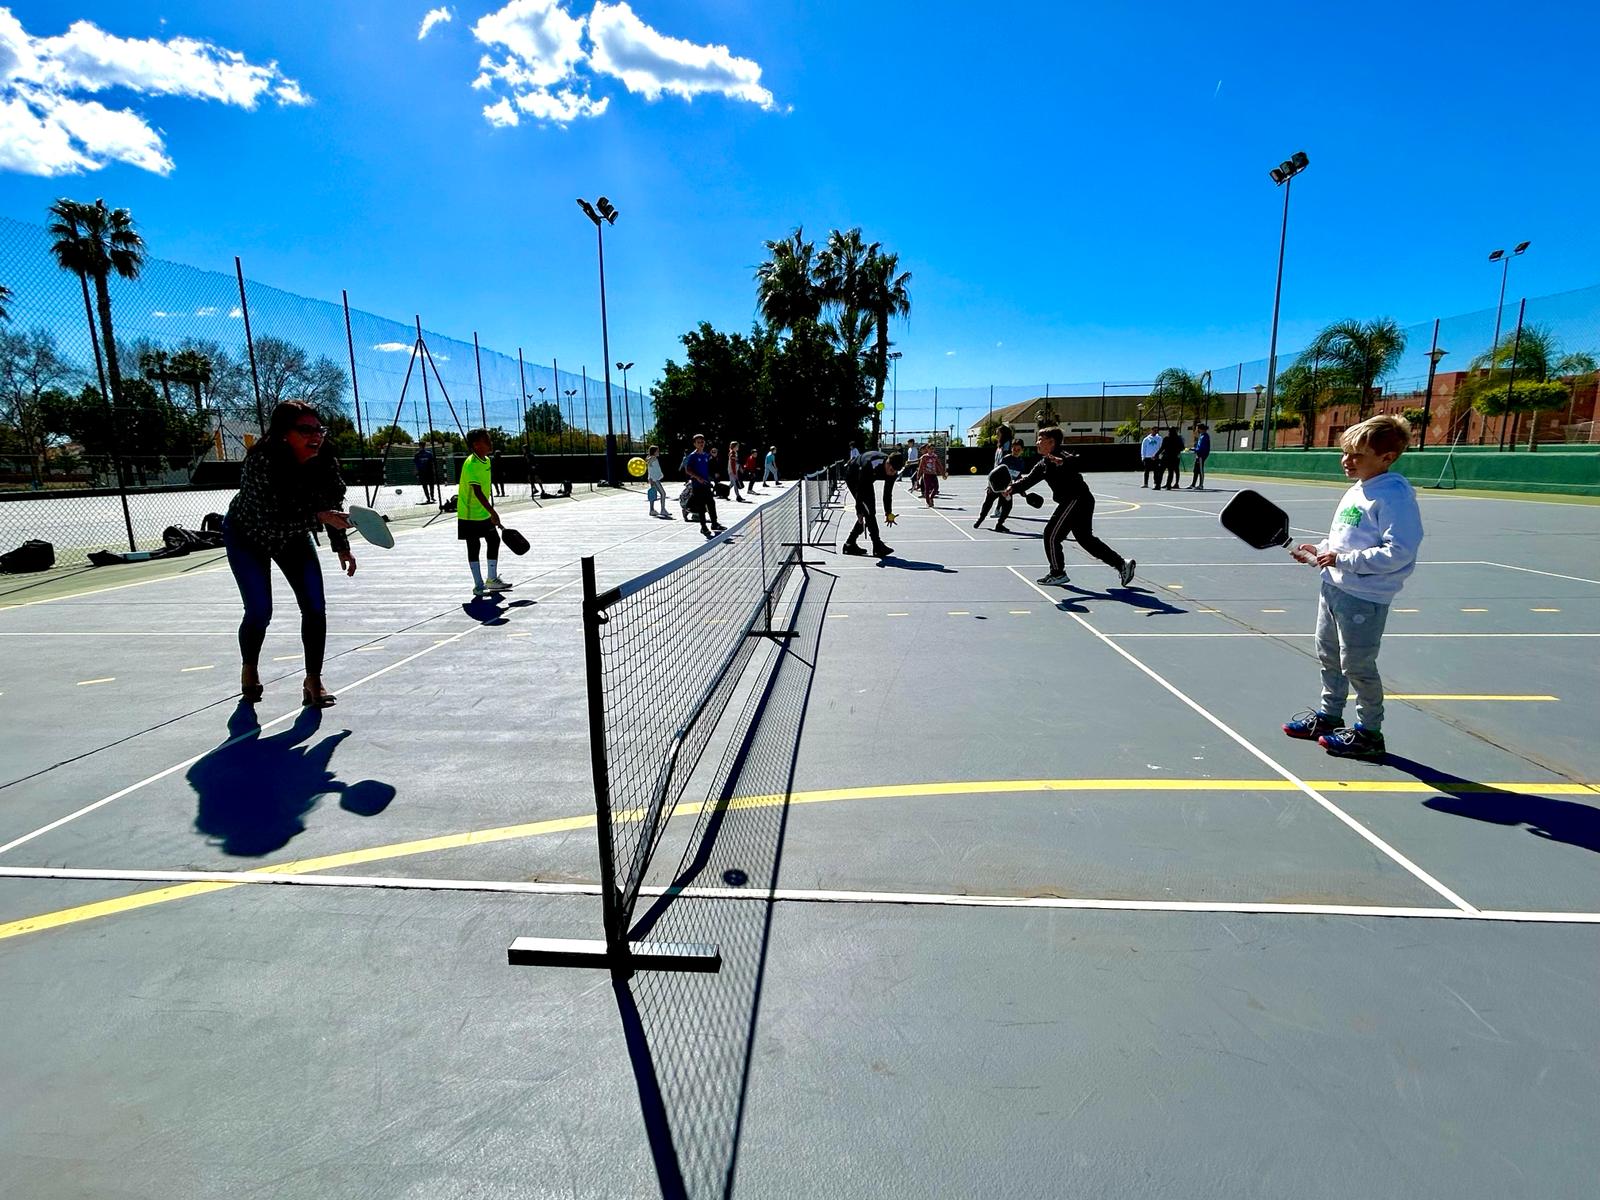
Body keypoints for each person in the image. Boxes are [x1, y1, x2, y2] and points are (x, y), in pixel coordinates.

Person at [1282, 415, 1422, 762]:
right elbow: (1345, 539)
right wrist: (1321, 550)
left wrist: (1342, 560)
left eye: (1357, 455)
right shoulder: (1358, 488)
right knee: (1328, 656)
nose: (1346, 461)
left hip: (1364, 598)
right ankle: (1330, 717)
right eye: (1344, 453)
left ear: (1387, 457)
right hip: (1333, 588)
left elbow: (1399, 552)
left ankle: (1369, 732)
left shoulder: (1394, 496)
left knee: (1357, 665)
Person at [224, 400, 356, 709]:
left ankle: (313, 680)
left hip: (293, 534)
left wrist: (342, 546)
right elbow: (270, 519)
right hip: (248, 534)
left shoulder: (325, 463)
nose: (316, 436)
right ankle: (250, 666)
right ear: (284, 434)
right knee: (259, 611)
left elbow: (330, 505)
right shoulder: (260, 462)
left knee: (315, 606)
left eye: (319, 429)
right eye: (306, 430)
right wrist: (319, 518)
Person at [1006, 425, 1136, 588]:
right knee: (1085, 540)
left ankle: (1057, 573)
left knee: (1051, 535)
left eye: (1041, 439)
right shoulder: (1044, 463)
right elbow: (1028, 480)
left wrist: (1062, 462)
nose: (1037, 442)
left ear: (1052, 442)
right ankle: (1122, 564)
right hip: (1078, 500)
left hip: (1076, 499)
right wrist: (1012, 488)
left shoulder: (1062, 455)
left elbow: (1076, 460)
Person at [459, 428, 510, 597]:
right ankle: (478, 585)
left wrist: (489, 513)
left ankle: (492, 580)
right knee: (474, 546)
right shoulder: (471, 464)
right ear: (476, 444)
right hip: (469, 514)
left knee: (494, 540)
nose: (489, 441)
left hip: (483, 512)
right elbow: (477, 492)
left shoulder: (486, 461)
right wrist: (493, 512)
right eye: (485, 439)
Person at [842, 448, 904, 557]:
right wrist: (859, 510)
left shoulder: (893, 471)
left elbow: (887, 494)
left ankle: (850, 544)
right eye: (891, 470)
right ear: (888, 463)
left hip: (868, 479)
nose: (892, 473)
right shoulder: (870, 464)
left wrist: (888, 513)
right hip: (854, 476)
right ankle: (877, 545)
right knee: (869, 511)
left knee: (868, 512)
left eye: (895, 472)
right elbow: (861, 488)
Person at [974, 442, 1025, 531]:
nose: (1016, 451)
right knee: (988, 503)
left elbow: (1018, 476)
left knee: (1008, 506)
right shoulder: (1006, 459)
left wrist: (1021, 489)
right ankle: (980, 520)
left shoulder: (1021, 462)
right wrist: (990, 486)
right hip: (997, 486)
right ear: (1011, 449)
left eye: (1018, 449)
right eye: (1014, 449)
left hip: (1007, 489)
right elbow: (995, 472)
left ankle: (999, 524)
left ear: (1022, 450)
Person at [684, 433, 726, 539]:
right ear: (694, 444)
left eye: (702, 441)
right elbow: (688, 470)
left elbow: (708, 468)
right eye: (698, 442)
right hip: (698, 485)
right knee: (701, 506)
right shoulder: (693, 456)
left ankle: (714, 523)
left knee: (711, 503)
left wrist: (712, 476)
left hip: (706, 484)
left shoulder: (706, 455)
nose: (701, 443)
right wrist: (698, 478)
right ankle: (703, 526)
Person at [645, 445, 670, 518]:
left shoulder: (653, 458)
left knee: (653, 494)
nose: (659, 452)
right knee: (663, 493)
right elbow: (648, 462)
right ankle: (662, 509)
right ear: (654, 452)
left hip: (653, 479)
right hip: (655, 480)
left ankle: (652, 510)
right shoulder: (653, 458)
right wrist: (651, 478)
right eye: (657, 451)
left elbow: (649, 467)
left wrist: (649, 478)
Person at [1188, 423, 1211, 490]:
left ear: (1200, 429)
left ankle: (1201, 485)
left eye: (1197, 428)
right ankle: (1193, 484)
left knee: (1200, 470)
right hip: (1198, 454)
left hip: (1201, 455)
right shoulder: (1201, 436)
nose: (1196, 430)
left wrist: (1193, 449)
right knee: (1195, 470)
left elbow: (1201, 448)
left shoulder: (1205, 436)